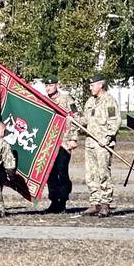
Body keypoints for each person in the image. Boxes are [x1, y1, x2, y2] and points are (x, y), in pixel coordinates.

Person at [77, 72, 121, 217]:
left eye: (92, 85)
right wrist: (76, 119)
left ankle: (105, 204)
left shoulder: (109, 101)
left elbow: (115, 121)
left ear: (100, 85)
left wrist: (107, 137)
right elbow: (86, 120)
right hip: (90, 143)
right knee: (91, 174)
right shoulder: (90, 101)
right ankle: (94, 203)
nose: (90, 88)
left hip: (102, 144)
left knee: (103, 174)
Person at [43, 75, 78, 213]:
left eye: (50, 85)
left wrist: (73, 138)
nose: (48, 88)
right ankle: (53, 200)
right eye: (46, 85)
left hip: (64, 142)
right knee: (50, 173)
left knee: (62, 172)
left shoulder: (66, 99)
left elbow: (75, 118)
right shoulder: (44, 101)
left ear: (56, 85)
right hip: (49, 144)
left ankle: (63, 201)